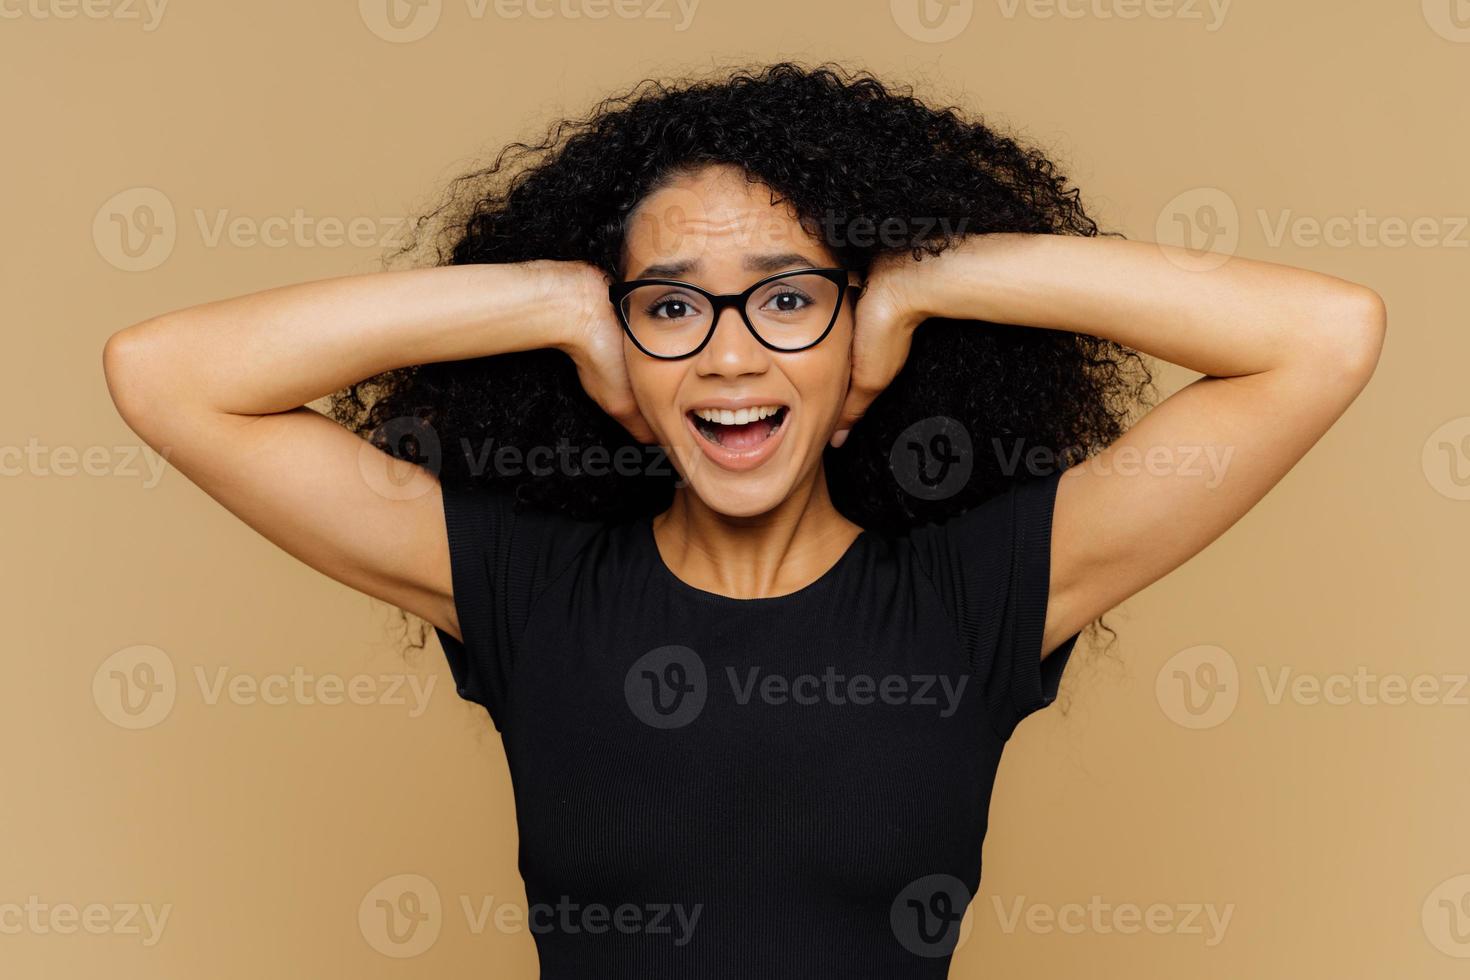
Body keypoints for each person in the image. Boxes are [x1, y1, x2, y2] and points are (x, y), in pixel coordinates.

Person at [102, 63, 1386, 979]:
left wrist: (929, 277)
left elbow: (1322, 339)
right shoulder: (525, 586)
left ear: (856, 365)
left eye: (786, 301)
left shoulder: (979, 596)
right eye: (670, 308)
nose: (727, 356)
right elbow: (167, 375)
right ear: (624, 353)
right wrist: (550, 297)